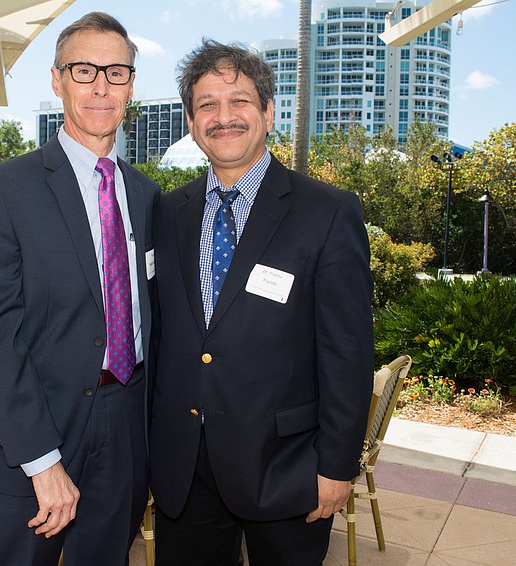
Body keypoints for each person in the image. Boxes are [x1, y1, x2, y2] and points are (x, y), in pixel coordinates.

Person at [149, 39, 374, 565]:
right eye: (207, 104)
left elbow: (348, 353)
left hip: (288, 469)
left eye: (240, 101)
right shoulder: (166, 212)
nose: (223, 117)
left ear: (269, 112)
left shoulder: (328, 211)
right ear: (190, 121)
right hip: (186, 473)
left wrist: (337, 467)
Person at [0, 12, 159, 566]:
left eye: (116, 72)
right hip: (29, 432)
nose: (100, 85)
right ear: (56, 79)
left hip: (125, 427)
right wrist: (42, 462)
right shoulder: (2, 190)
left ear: (131, 85)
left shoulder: (147, 195)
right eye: (83, 69)